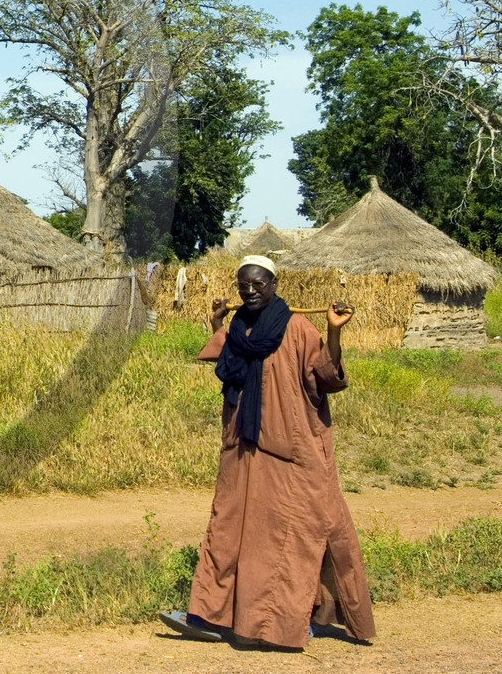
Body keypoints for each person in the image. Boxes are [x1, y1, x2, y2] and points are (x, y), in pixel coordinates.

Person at [159, 255, 376, 649]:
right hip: (242, 448)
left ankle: (285, 622)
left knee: (288, 535)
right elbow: (223, 358)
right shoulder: (241, 327)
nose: (250, 291)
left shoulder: (297, 328)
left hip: (290, 453)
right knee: (228, 528)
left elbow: (327, 376)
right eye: (244, 285)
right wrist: (217, 324)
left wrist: (333, 332)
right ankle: (208, 614)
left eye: (258, 284)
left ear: (273, 285)